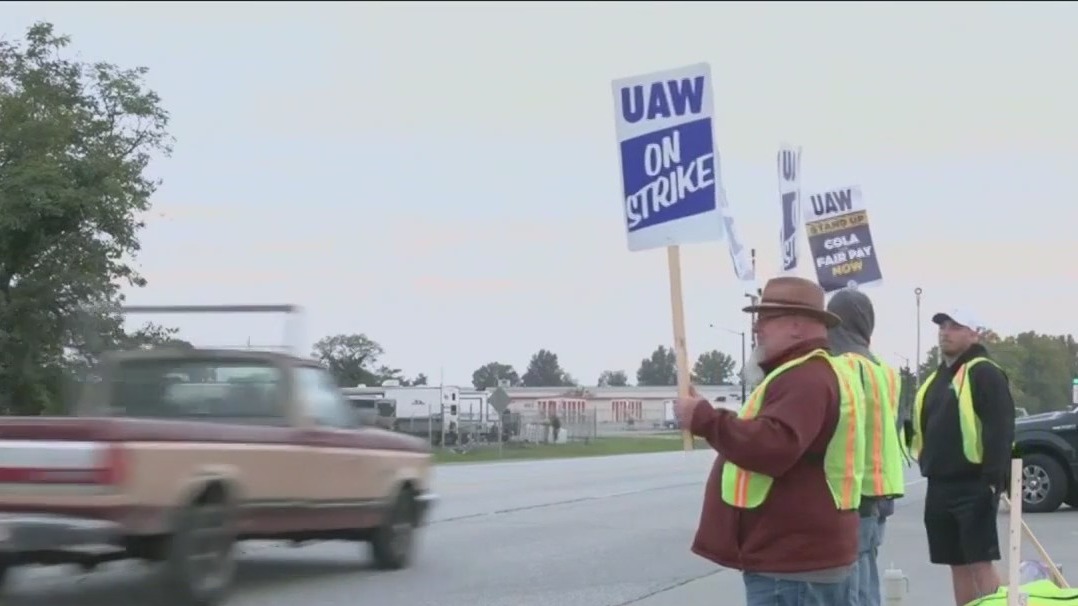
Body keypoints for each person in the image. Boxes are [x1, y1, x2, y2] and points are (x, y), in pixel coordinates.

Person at [673, 276, 866, 606]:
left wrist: (705, 419)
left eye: (765, 319)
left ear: (795, 325)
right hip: (802, 562)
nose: (757, 328)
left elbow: (773, 445)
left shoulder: (804, 377)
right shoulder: (808, 373)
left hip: (792, 567)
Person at [909, 308, 1016, 606]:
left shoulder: (985, 372)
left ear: (973, 333)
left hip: (974, 484)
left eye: (955, 326)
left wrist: (994, 480)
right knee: (955, 562)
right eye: (943, 326)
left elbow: (1000, 427)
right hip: (940, 483)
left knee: (980, 562)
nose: (945, 331)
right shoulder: (936, 379)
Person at [827, 288, 906, 606]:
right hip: (880, 489)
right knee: (866, 580)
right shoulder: (884, 370)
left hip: (850, 491)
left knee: (851, 590)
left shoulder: (842, 366)